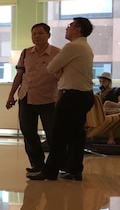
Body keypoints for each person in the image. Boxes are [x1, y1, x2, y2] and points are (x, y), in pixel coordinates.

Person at [30, 17, 95, 181]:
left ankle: (50, 171)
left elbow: (51, 67)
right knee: (76, 135)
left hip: (72, 96)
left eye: (70, 26)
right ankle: (75, 170)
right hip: (84, 95)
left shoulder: (72, 46)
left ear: (78, 29)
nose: (67, 29)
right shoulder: (85, 47)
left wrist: (60, 69)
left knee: (58, 135)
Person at [6, 23, 60, 178]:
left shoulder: (57, 53)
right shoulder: (26, 53)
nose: (37, 36)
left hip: (48, 99)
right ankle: (37, 164)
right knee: (28, 132)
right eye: (34, 33)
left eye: (40, 33)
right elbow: (19, 76)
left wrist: (60, 97)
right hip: (26, 97)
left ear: (48, 35)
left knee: (52, 134)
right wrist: (11, 95)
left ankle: (54, 166)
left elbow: (62, 77)